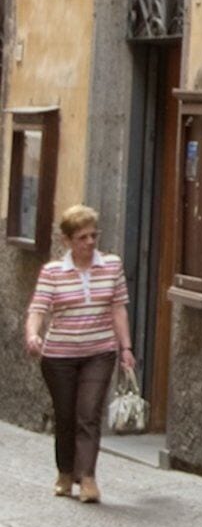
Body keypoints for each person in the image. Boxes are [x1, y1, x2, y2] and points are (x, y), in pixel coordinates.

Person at [20, 206, 134, 504]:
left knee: (89, 414)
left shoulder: (111, 266)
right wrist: (33, 334)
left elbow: (118, 308)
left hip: (99, 351)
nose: (90, 242)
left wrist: (126, 348)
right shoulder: (52, 272)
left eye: (93, 235)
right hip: (59, 355)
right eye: (82, 237)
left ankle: (88, 478)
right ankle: (64, 472)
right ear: (67, 241)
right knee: (66, 416)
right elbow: (39, 309)